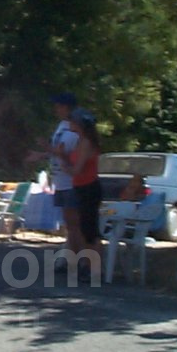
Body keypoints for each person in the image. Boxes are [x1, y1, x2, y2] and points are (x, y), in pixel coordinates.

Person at [28, 93, 80, 271]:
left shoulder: (75, 129)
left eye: (59, 106)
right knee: (68, 222)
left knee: (74, 223)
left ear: (67, 108)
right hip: (61, 180)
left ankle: (74, 261)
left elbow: (67, 153)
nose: (56, 109)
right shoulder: (62, 126)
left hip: (72, 181)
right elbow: (57, 151)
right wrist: (43, 154)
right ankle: (69, 257)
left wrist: (46, 148)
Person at [65, 108, 102, 282]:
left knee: (90, 230)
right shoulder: (80, 140)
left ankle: (94, 268)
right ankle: (87, 265)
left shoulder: (86, 142)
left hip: (89, 187)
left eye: (73, 121)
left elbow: (77, 169)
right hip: (81, 187)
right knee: (83, 227)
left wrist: (64, 167)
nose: (70, 123)